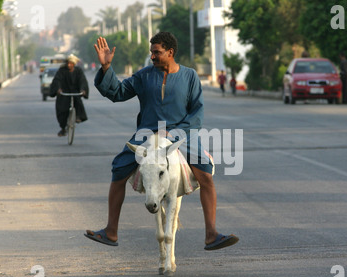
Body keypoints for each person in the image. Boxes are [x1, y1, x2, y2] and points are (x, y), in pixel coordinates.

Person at [85, 32, 239, 250]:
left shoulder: (190, 76)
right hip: (146, 134)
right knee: (118, 169)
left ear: (170, 52)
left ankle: (211, 234)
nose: (153, 57)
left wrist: (175, 134)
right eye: (152, 53)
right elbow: (117, 92)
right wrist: (106, 68)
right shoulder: (143, 76)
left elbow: (196, 112)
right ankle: (111, 232)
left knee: (205, 174)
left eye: (156, 52)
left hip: (182, 133)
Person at [50, 54, 89, 137]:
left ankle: (78, 116)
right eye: (68, 63)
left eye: (71, 63)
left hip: (75, 91)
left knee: (78, 101)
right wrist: (58, 89)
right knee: (62, 109)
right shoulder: (62, 70)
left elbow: (82, 81)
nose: (69, 65)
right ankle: (63, 128)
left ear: (74, 64)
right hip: (64, 92)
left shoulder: (78, 71)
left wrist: (83, 90)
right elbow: (57, 80)